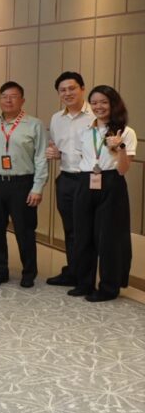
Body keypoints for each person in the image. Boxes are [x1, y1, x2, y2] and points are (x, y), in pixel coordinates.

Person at [0, 81, 48, 288]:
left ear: (22, 100)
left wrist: (37, 188)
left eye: (13, 96)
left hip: (22, 183)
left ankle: (29, 273)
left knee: (25, 231)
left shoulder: (34, 124)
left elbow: (41, 158)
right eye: (4, 96)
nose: (8, 100)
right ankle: (1, 270)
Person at [69, 85, 136, 302]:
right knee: (83, 235)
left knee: (109, 238)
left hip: (112, 183)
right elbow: (83, 159)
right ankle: (84, 283)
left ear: (113, 104)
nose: (99, 106)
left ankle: (108, 288)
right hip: (85, 180)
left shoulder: (126, 132)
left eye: (104, 102)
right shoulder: (85, 130)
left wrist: (120, 147)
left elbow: (123, 170)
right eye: (95, 102)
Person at [44, 71, 92, 286]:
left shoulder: (95, 115)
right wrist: (54, 153)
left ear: (82, 89)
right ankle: (73, 272)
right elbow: (57, 147)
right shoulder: (57, 118)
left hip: (89, 179)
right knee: (70, 230)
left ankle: (86, 279)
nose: (67, 93)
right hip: (65, 178)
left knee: (87, 230)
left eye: (72, 88)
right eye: (62, 90)